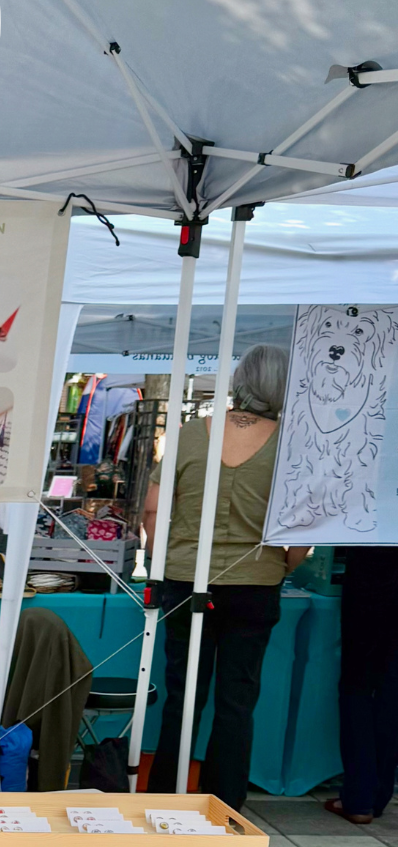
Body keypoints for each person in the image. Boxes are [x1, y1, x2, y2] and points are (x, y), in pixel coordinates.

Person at [143, 344, 307, 808]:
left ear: (239, 381)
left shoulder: (191, 434)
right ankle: (224, 805)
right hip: (256, 585)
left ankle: (165, 800)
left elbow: (153, 510)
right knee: (237, 701)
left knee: (182, 695)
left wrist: (163, 559)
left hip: (184, 579)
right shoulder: (292, 443)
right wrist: (279, 567)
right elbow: (300, 533)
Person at [327, 547, 398, 824]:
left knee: (357, 687)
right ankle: (378, 794)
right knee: (391, 689)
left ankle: (359, 797)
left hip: (371, 575)